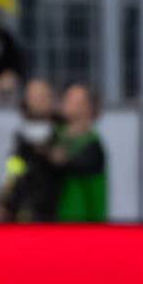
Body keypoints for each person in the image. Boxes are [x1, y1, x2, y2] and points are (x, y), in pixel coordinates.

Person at [0, 78, 60, 222]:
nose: (37, 102)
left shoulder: (61, 133)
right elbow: (14, 167)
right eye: (32, 97)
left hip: (52, 211)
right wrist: (5, 195)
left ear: (52, 100)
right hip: (23, 208)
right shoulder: (21, 135)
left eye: (42, 96)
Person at [51, 83, 107, 222]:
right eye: (67, 99)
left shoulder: (92, 145)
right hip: (52, 222)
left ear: (89, 108)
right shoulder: (55, 135)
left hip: (83, 223)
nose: (66, 104)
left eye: (75, 101)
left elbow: (70, 165)